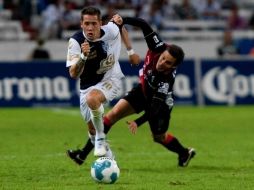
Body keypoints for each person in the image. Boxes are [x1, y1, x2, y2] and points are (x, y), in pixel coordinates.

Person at [67, 14, 196, 167]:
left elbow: (153, 109)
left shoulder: (165, 82)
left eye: (168, 63)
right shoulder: (157, 46)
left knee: (159, 137)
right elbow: (143, 23)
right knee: (111, 116)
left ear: (173, 67)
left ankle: (184, 152)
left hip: (159, 106)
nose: (162, 63)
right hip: (142, 92)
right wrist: (123, 20)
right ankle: (82, 155)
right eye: (162, 58)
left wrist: (137, 122)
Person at [66, 7, 140, 158]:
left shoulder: (111, 30)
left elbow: (120, 27)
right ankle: (109, 158)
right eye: (87, 23)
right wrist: (83, 57)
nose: (90, 27)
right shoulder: (76, 42)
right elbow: (73, 74)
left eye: (94, 23)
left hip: (111, 78)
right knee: (91, 129)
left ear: (100, 23)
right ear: (81, 24)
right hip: (87, 85)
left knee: (92, 99)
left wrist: (130, 52)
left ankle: (101, 137)